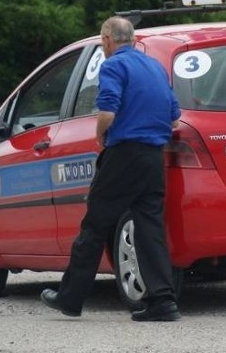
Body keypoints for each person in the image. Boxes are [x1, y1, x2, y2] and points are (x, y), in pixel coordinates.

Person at [40, 16, 182, 322]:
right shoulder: (155, 67)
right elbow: (174, 119)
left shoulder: (113, 66)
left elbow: (107, 109)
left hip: (124, 155)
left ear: (107, 39)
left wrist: (101, 135)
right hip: (153, 157)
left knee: (95, 224)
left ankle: (71, 297)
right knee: (149, 229)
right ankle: (163, 302)